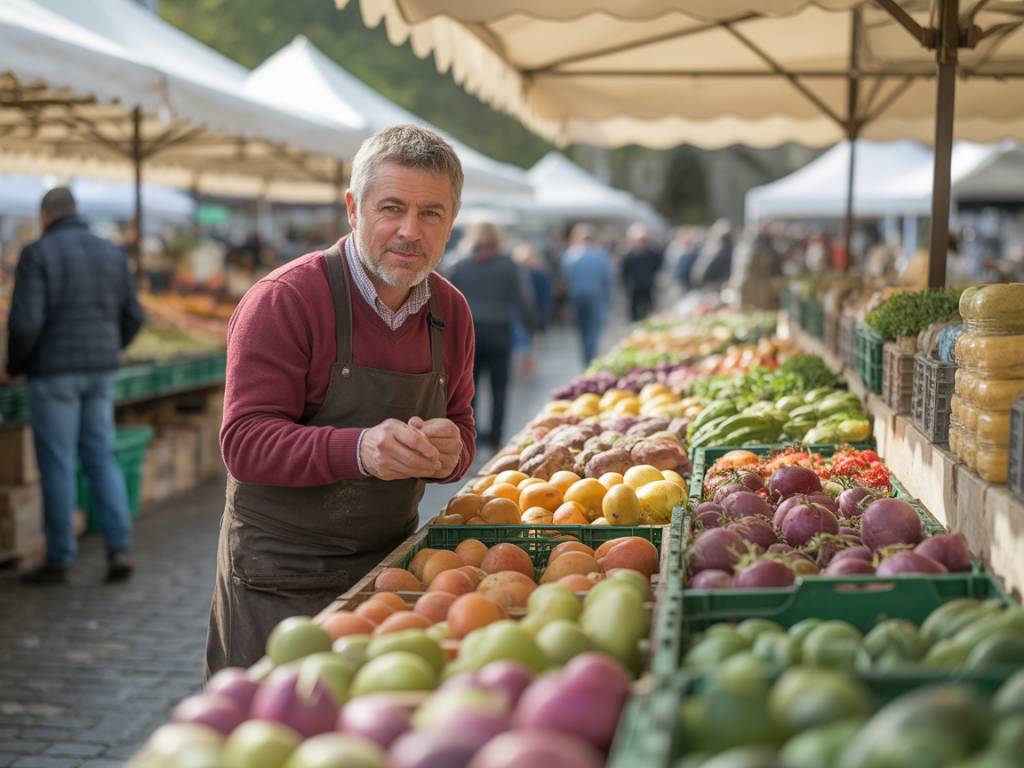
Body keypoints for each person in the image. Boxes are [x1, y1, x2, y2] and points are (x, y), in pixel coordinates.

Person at [205, 125, 477, 675]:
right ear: (354, 207)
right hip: (277, 576)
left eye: (432, 213)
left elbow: (464, 427)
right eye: (392, 207)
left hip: (387, 571)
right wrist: (360, 450)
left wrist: (454, 452)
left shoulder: (451, 313)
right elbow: (244, 442)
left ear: (452, 222)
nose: (409, 230)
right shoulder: (285, 300)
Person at [5, 187, 146, 585]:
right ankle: (120, 548)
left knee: (59, 462)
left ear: (45, 215)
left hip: (53, 374)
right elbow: (135, 314)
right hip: (101, 370)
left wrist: (14, 365)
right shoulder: (111, 252)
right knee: (100, 455)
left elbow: (25, 322)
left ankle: (60, 557)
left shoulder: (38, 253)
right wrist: (109, 346)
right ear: (76, 211)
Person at [449, 221, 534, 451]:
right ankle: (496, 437)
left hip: (470, 335)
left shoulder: (461, 265)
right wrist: (530, 335)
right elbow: (524, 302)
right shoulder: (509, 266)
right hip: (500, 332)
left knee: (468, 390)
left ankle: (471, 436)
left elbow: (448, 304)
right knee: (500, 389)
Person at [561, 223, 613, 365]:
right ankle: (590, 360)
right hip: (595, 297)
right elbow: (607, 281)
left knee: (583, 332)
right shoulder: (601, 256)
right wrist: (609, 304)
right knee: (592, 332)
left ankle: (586, 359)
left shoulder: (570, 256)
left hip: (576, 297)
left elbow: (565, 280)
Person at [619, 223, 664, 321]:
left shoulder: (653, 253)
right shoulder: (629, 255)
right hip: (634, 287)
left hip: (649, 286)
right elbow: (624, 272)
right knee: (634, 311)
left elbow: (658, 267)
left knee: (650, 310)